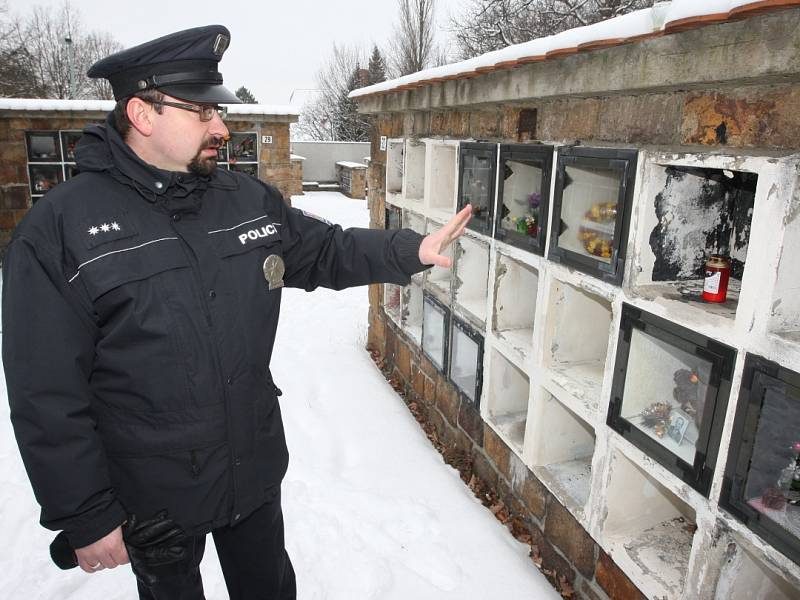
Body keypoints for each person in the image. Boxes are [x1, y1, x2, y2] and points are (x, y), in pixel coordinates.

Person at [2, 24, 471, 600]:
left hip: (248, 461)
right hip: (154, 488)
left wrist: (407, 250)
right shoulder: (60, 232)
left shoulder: (243, 199)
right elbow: (45, 391)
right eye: (202, 112)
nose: (221, 126)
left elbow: (321, 251)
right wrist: (86, 511)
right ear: (143, 114)